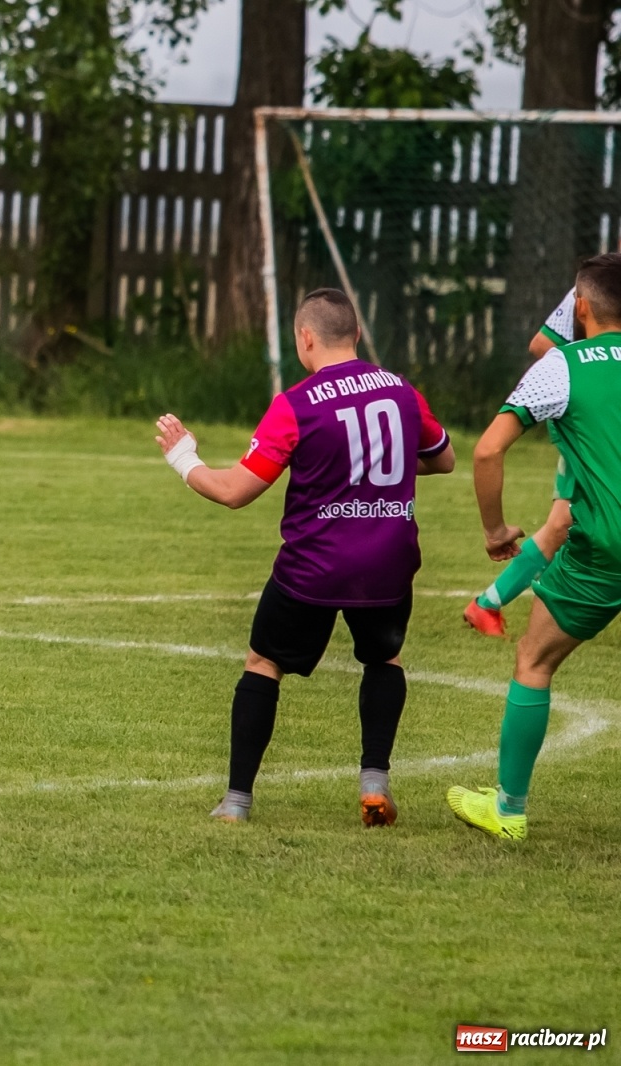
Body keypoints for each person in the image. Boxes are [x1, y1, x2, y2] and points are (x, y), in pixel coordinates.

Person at [155, 288, 454, 826]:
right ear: (356, 335)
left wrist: (182, 457)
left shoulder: (296, 404)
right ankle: (374, 782)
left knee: (263, 662)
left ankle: (237, 802)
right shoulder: (403, 392)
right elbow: (443, 458)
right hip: (389, 561)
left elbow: (234, 491)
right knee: (383, 659)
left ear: (305, 337)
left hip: (316, 566)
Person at [448, 253, 621, 841]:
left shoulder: (564, 364)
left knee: (535, 660)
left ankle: (509, 809)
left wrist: (496, 532)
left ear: (580, 307)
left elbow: (487, 450)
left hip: (606, 551)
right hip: (597, 538)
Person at [463, 288, 581, 638]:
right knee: (562, 524)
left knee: (563, 524)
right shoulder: (592, 286)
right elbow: (543, 345)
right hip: (596, 427)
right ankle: (489, 604)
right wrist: (590, 377)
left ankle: (488, 604)